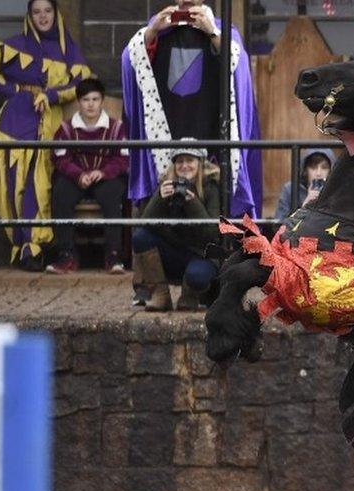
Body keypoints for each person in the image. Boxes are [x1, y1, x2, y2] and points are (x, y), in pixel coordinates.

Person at [0, 0, 92, 271]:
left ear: (56, 14)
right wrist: (11, 90)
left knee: (42, 185)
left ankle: (40, 245)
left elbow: (83, 83)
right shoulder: (16, 44)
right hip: (14, 124)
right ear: (29, 16)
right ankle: (26, 248)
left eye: (47, 11)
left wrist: (51, 94)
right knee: (15, 186)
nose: (43, 16)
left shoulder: (67, 49)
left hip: (49, 126)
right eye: (36, 12)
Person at [121, 0, 262, 218]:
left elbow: (238, 65)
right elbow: (131, 61)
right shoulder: (159, 29)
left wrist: (212, 32)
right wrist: (152, 31)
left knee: (211, 207)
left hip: (210, 127)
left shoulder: (221, 29)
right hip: (167, 127)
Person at [45, 78, 129, 275]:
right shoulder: (66, 129)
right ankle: (66, 255)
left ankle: (113, 255)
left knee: (113, 194)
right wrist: (78, 174)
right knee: (61, 194)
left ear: (101, 101)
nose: (90, 104)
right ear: (79, 102)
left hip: (104, 177)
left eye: (95, 99)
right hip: (77, 177)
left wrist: (104, 172)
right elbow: (60, 158)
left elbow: (123, 158)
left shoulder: (116, 128)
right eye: (85, 100)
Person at [132, 140, 221, 312]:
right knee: (141, 237)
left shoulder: (210, 187)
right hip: (173, 252)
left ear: (200, 163)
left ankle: (189, 297)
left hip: (201, 255)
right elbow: (145, 224)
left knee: (197, 276)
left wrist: (193, 202)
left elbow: (212, 233)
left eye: (190, 160)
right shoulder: (167, 184)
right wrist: (159, 197)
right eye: (179, 161)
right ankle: (160, 295)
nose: (184, 165)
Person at [274, 149, 335, 220]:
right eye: (313, 168)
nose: (319, 173)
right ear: (305, 170)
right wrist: (305, 206)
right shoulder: (290, 189)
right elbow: (278, 225)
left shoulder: (338, 190)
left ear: (331, 170)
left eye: (324, 168)